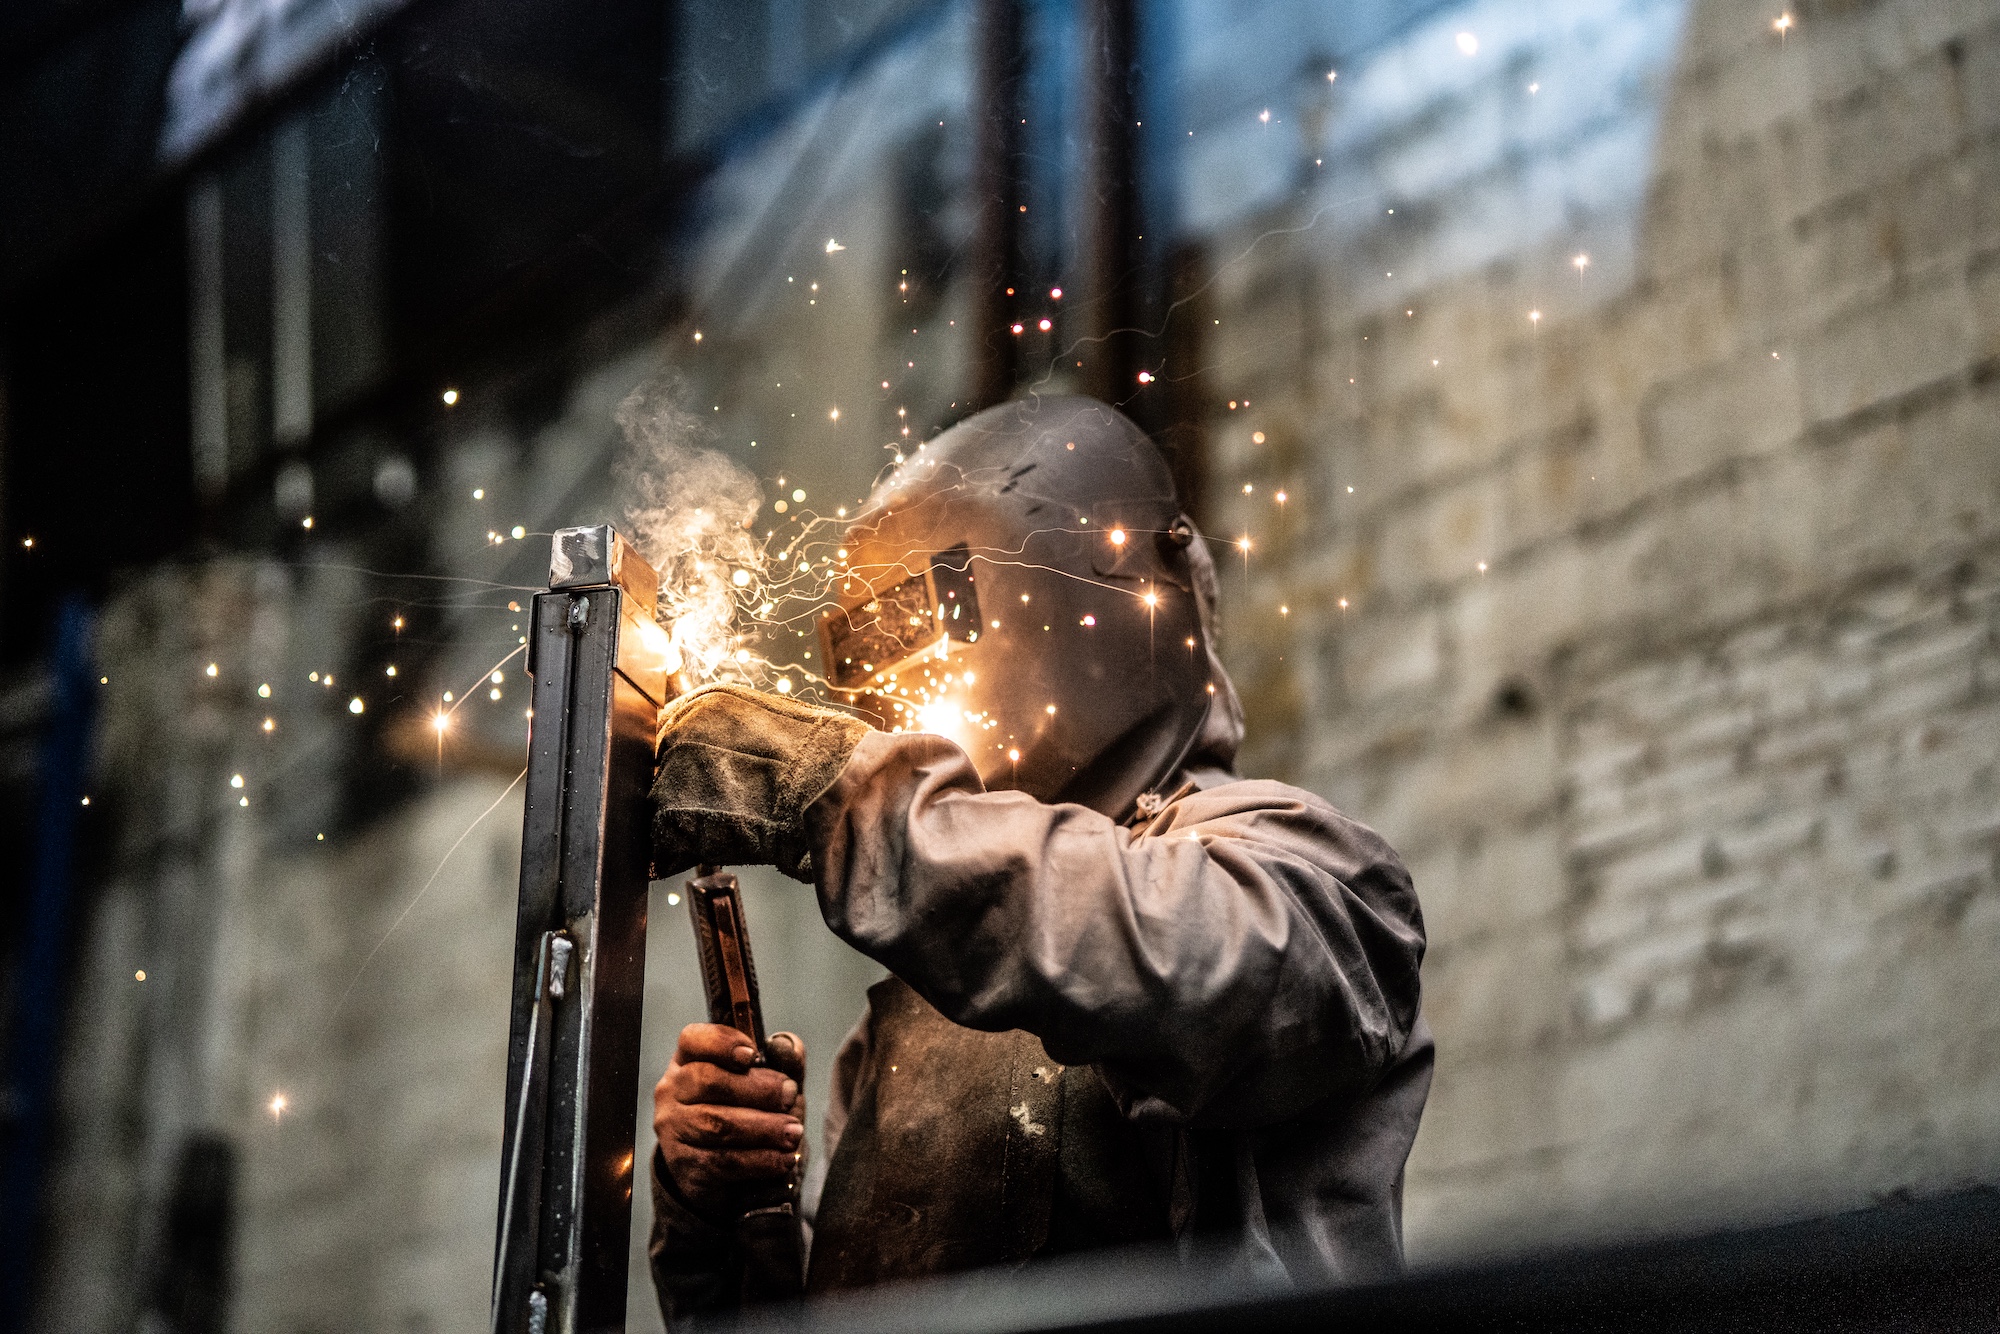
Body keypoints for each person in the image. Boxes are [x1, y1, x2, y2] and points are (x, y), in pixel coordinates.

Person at [645, 396, 1431, 1324]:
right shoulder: (904, 1024)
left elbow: (1167, 954)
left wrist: (829, 788)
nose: (909, 687)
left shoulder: (1317, 877)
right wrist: (719, 1210)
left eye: (937, 621)